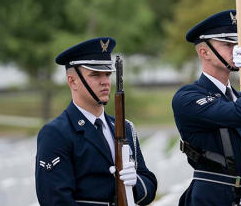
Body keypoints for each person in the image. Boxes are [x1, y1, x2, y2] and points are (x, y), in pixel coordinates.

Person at [35, 37, 157, 205]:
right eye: (95, 74)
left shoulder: (125, 127)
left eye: (107, 74)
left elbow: (149, 186)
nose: (105, 82)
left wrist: (135, 183)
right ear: (72, 81)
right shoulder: (57, 133)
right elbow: (55, 200)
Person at [173, 10, 241, 206]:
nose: (236, 50)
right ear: (204, 52)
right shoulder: (188, 97)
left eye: (237, 44)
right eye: (228, 45)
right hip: (211, 198)